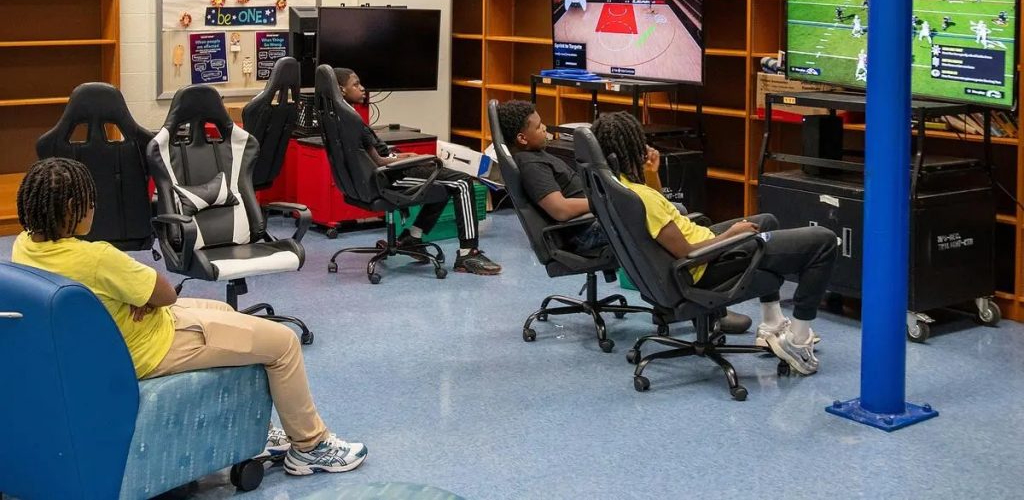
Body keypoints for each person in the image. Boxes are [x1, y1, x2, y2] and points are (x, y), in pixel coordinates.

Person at [10, 158, 368, 476]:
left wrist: (140, 299)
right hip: (150, 348)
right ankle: (310, 446)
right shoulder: (97, 258)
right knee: (284, 343)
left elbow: (141, 295)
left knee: (224, 311)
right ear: (73, 208)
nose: (93, 210)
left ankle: (254, 426)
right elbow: (164, 294)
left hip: (111, 340)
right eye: (90, 203)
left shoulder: (23, 246)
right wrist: (147, 300)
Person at [591, 112, 837, 375]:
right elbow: (686, 252)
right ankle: (797, 341)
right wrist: (731, 235)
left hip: (699, 252)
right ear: (631, 147)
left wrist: (651, 173)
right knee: (824, 241)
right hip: (705, 263)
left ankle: (772, 324)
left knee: (766, 220)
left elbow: (661, 213)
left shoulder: (622, 188)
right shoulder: (640, 199)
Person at [495, 100, 752, 335]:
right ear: (522, 138)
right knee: (656, 224)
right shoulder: (532, 166)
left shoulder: (538, 156)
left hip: (590, 220)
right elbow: (560, 210)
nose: (547, 131)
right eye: (539, 127)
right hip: (581, 231)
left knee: (663, 215)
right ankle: (697, 307)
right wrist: (605, 201)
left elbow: (655, 203)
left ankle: (687, 306)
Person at [335, 68, 500, 274]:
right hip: (387, 178)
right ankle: (468, 254)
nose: (362, 88)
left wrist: (398, 156)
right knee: (462, 182)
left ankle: (412, 237)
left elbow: (370, 156)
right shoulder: (353, 120)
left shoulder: (338, 117)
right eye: (356, 85)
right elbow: (378, 160)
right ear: (341, 90)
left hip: (373, 177)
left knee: (442, 183)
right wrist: (406, 158)